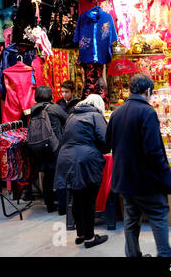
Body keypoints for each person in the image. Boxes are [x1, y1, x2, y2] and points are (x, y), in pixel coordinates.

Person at [106, 74, 171, 257]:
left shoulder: (116, 113)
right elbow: (153, 150)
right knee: (158, 216)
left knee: (131, 219)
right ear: (148, 91)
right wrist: (164, 173)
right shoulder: (148, 112)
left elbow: (108, 143)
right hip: (146, 180)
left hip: (124, 179)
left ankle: (133, 254)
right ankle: (165, 254)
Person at [54, 94, 110, 248]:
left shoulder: (72, 115)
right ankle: (90, 238)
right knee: (89, 200)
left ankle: (80, 234)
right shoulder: (95, 116)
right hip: (85, 160)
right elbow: (105, 142)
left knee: (77, 198)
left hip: (66, 158)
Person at [29, 86, 67, 214]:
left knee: (47, 176)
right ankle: (62, 207)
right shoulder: (54, 108)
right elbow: (67, 119)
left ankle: (49, 205)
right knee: (60, 175)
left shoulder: (33, 109)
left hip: (40, 146)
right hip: (55, 146)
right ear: (50, 95)